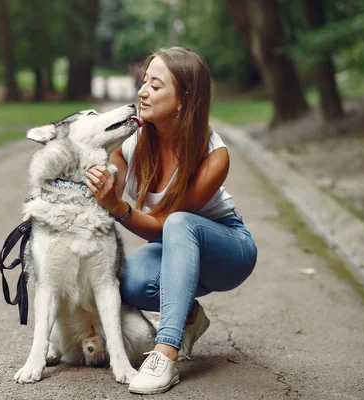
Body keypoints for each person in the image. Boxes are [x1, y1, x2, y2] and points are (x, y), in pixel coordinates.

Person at [84, 47, 258, 395]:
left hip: (226, 249)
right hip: (173, 249)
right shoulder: (130, 141)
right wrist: (55, 203)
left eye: (156, 85)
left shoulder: (214, 155)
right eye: (144, 81)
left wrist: (117, 207)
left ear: (184, 100)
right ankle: (189, 316)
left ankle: (166, 353)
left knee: (179, 222)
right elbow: (102, 194)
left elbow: (164, 224)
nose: (142, 92)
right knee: (129, 282)